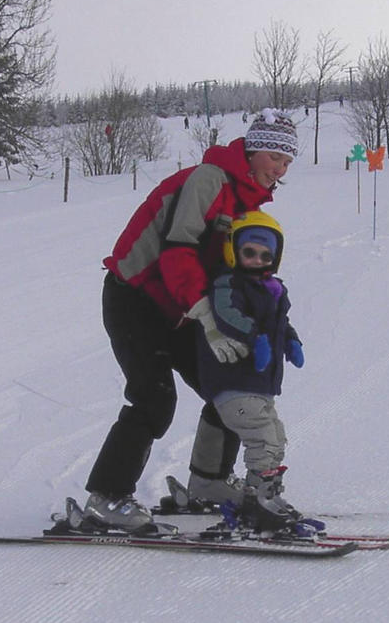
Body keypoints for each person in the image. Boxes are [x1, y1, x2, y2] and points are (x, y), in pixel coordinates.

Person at [82, 109, 298, 531]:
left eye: (287, 162)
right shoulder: (210, 180)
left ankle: (210, 481)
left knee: (230, 388)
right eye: (276, 156)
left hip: (180, 303)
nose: (280, 169)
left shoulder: (245, 197)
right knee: (154, 398)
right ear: (253, 150)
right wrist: (206, 316)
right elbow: (178, 250)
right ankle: (106, 498)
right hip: (136, 296)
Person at [195, 210, 305, 532]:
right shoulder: (228, 284)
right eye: (249, 252)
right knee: (261, 437)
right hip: (232, 382)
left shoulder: (273, 290)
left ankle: (267, 494)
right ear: (234, 251)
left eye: (265, 254)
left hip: (259, 384)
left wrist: (291, 340)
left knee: (276, 438)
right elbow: (227, 315)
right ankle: (256, 502)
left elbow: (279, 323)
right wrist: (254, 337)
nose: (257, 260)